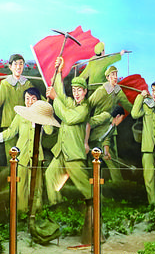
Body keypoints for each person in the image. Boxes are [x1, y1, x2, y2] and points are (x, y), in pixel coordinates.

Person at [45, 57, 110, 243]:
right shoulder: (71, 102)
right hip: (61, 153)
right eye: (74, 90)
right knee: (49, 177)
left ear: (85, 91)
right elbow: (61, 95)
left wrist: (55, 98)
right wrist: (59, 72)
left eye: (79, 90)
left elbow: (67, 117)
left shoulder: (84, 109)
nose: (76, 93)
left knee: (88, 192)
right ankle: (57, 210)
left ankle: (95, 230)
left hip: (74, 156)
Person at [0, 87, 57, 214]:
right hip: (22, 157)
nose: (30, 102)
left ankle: (36, 212)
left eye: (33, 99)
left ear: (38, 101)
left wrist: (45, 117)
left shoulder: (42, 116)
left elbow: (49, 131)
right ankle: (21, 212)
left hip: (37, 156)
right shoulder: (20, 116)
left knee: (37, 185)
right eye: (27, 98)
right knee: (21, 186)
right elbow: (11, 131)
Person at [85, 65, 134, 182]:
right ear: (107, 77)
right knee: (94, 156)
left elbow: (128, 106)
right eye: (112, 75)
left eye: (116, 74)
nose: (115, 77)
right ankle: (92, 181)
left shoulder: (118, 91)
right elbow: (87, 106)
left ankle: (117, 184)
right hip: (98, 127)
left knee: (112, 156)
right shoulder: (101, 91)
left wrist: (140, 108)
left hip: (111, 128)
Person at [0, 53, 31, 161]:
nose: (18, 67)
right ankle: (11, 171)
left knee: (24, 151)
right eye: (15, 64)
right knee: (10, 153)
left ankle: (21, 171)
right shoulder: (5, 84)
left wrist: (46, 104)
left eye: (21, 64)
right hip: (8, 122)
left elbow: (36, 97)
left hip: (24, 122)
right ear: (10, 67)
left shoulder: (27, 84)